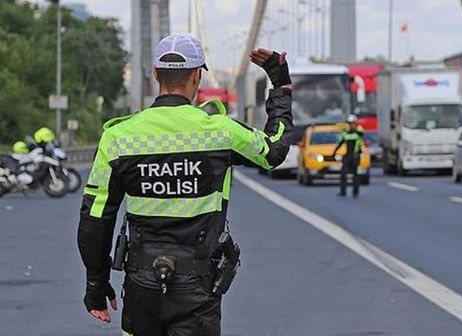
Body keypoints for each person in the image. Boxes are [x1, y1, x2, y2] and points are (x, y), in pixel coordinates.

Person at [77, 33, 293, 336]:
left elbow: (95, 218)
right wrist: (280, 86)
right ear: (197, 76)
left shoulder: (119, 137)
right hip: (198, 287)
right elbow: (274, 151)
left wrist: (96, 284)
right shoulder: (220, 131)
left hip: (141, 285)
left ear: (155, 75)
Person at [333, 114, 365, 197]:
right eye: (350, 124)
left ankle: (355, 192)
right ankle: (343, 191)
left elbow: (361, 134)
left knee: (356, 174)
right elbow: (340, 143)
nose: (352, 125)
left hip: (356, 156)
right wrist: (334, 152)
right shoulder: (345, 133)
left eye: (353, 123)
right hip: (347, 156)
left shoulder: (359, 132)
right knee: (343, 173)